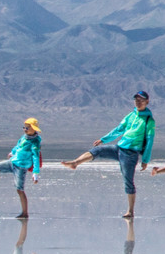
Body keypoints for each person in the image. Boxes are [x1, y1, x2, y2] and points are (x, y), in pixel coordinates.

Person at [61, 90, 156, 220]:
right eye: (136, 100)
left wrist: (145, 160)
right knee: (97, 150)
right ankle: (75, 163)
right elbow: (118, 130)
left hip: (130, 154)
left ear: (147, 102)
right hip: (119, 148)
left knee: (128, 181)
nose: (138, 102)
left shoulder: (149, 121)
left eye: (141, 100)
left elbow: (150, 141)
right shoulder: (131, 116)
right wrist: (103, 139)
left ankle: (130, 211)